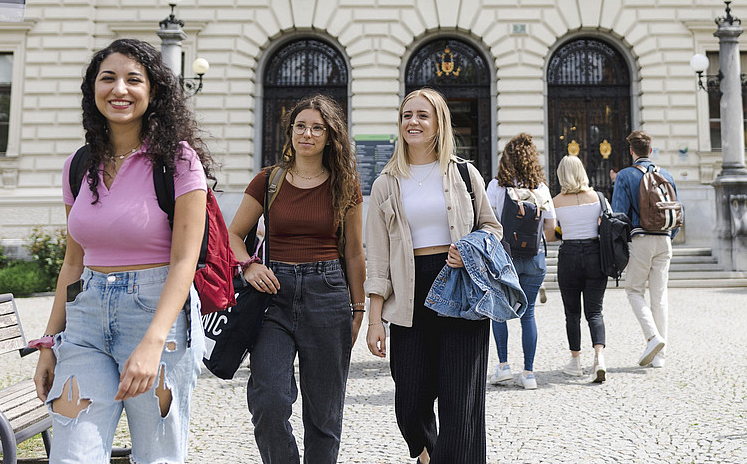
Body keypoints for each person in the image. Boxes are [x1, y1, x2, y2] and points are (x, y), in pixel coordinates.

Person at [33, 38, 212, 464]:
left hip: (157, 318)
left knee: (157, 456)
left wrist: (153, 341)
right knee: (72, 454)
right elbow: (73, 262)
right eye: (108, 78)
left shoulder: (179, 161)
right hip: (85, 321)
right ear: (92, 90)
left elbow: (185, 260)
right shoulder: (78, 166)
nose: (120, 89)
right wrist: (47, 344)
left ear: (153, 93)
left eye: (134, 80)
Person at [365, 87, 502, 464]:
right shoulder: (385, 183)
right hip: (408, 293)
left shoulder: (463, 173)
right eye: (407, 115)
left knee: (461, 401)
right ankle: (428, 456)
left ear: (439, 123)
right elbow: (377, 258)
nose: (413, 122)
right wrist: (374, 319)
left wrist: (470, 248)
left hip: (459, 286)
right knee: (410, 397)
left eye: (422, 115)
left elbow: (492, 226)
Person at [226, 94, 365, 464]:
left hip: (328, 292)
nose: (308, 133)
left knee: (324, 414)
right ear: (290, 132)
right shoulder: (268, 180)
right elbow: (232, 236)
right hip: (274, 293)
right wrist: (249, 266)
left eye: (317, 128)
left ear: (329, 136)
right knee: (269, 401)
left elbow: (353, 251)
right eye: (301, 126)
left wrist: (359, 307)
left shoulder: (345, 184)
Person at [486, 133, 555, 390]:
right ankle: (529, 373)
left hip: (505, 260)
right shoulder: (541, 188)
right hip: (535, 260)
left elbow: (487, 223)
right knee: (528, 315)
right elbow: (551, 226)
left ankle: (503, 367)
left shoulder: (496, 187)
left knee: (500, 313)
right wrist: (533, 241)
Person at [611, 130, 679, 369]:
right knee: (660, 297)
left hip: (640, 239)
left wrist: (621, 246)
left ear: (632, 151)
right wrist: (669, 236)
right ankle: (660, 357)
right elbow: (678, 211)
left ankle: (653, 338)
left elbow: (618, 215)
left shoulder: (625, 176)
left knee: (634, 290)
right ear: (650, 150)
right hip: (665, 239)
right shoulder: (667, 175)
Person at [548, 155, 608, 383]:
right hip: (595, 254)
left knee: (572, 313)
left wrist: (566, 229)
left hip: (569, 255)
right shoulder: (598, 198)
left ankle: (575, 361)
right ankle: (599, 358)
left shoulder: (556, 201)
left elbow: (551, 234)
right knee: (595, 311)